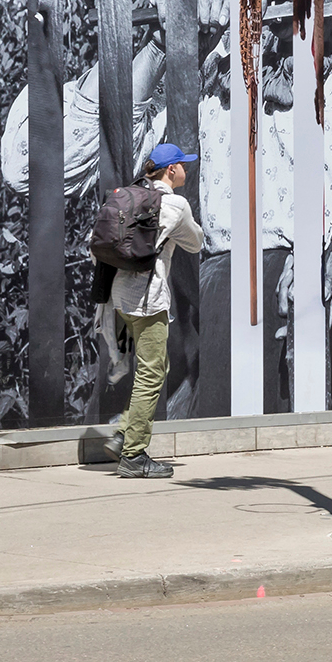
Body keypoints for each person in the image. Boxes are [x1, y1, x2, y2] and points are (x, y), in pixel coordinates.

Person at [113, 144, 206, 479]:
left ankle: (125, 433)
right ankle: (134, 455)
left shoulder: (129, 195)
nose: (186, 170)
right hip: (149, 301)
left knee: (145, 368)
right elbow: (195, 243)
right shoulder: (175, 204)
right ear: (171, 171)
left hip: (119, 298)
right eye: (183, 165)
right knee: (153, 372)